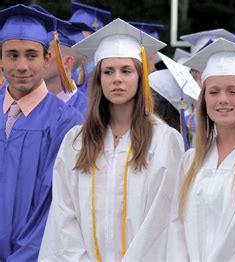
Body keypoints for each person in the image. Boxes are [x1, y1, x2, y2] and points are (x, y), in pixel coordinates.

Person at [38, 19, 184, 261]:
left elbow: (163, 219)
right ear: (99, 79)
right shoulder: (76, 142)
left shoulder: (164, 141)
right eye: (108, 71)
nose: (117, 79)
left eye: (126, 70)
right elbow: (64, 219)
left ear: (140, 78)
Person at [166, 38, 235, 261]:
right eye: (214, 92)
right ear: (204, 99)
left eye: (233, 91)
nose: (223, 100)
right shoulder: (191, 161)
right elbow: (176, 230)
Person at [0, 4, 84, 260]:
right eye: (12, 55)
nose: (22, 65)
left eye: (32, 55)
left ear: (48, 59)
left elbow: (53, 205)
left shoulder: (66, 122)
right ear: (0, 58)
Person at [43, 22, 89, 117]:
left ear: (67, 62)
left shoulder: (88, 112)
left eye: (46, 55)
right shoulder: (24, 102)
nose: (36, 60)